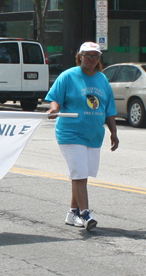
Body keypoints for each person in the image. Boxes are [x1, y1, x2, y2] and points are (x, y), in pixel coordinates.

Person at [45, 42, 119, 231]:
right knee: (79, 173)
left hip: (93, 134)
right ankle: (85, 213)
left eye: (95, 56)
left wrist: (114, 132)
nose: (92, 59)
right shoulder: (68, 76)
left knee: (82, 174)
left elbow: (108, 109)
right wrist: (54, 109)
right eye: (88, 55)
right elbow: (55, 98)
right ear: (80, 56)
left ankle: (72, 212)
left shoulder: (102, 79)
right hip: (71, 132)